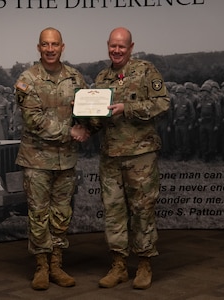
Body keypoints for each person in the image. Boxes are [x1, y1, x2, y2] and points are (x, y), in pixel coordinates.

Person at [90, 27, 170, 290]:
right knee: (113, 212)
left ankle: (145, 263)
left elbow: (162, 103)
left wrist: (128, 109)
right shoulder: (101, 77)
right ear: (107, 45)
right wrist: (83, 120)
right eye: (113, 46)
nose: (116, 50)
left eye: (122, 46)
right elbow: (98, 116)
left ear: (131, 47)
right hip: (111, 156)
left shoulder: (146, 71)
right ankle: (119, 265)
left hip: (140, 156)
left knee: (142, 210)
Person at [14, 27, 89, 291]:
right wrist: (70, 131)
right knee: (38, 214)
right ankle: (41, 266)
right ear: (38, 48)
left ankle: (57, 264)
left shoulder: (75, 77)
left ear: (62, 47)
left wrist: (89, 125)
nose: (50, 49)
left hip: (65, 160)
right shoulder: (27, 79)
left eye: (54, 44)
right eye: (45, 44)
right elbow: (34, 120)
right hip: (37, 160)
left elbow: (85, 110)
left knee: (61, 214)